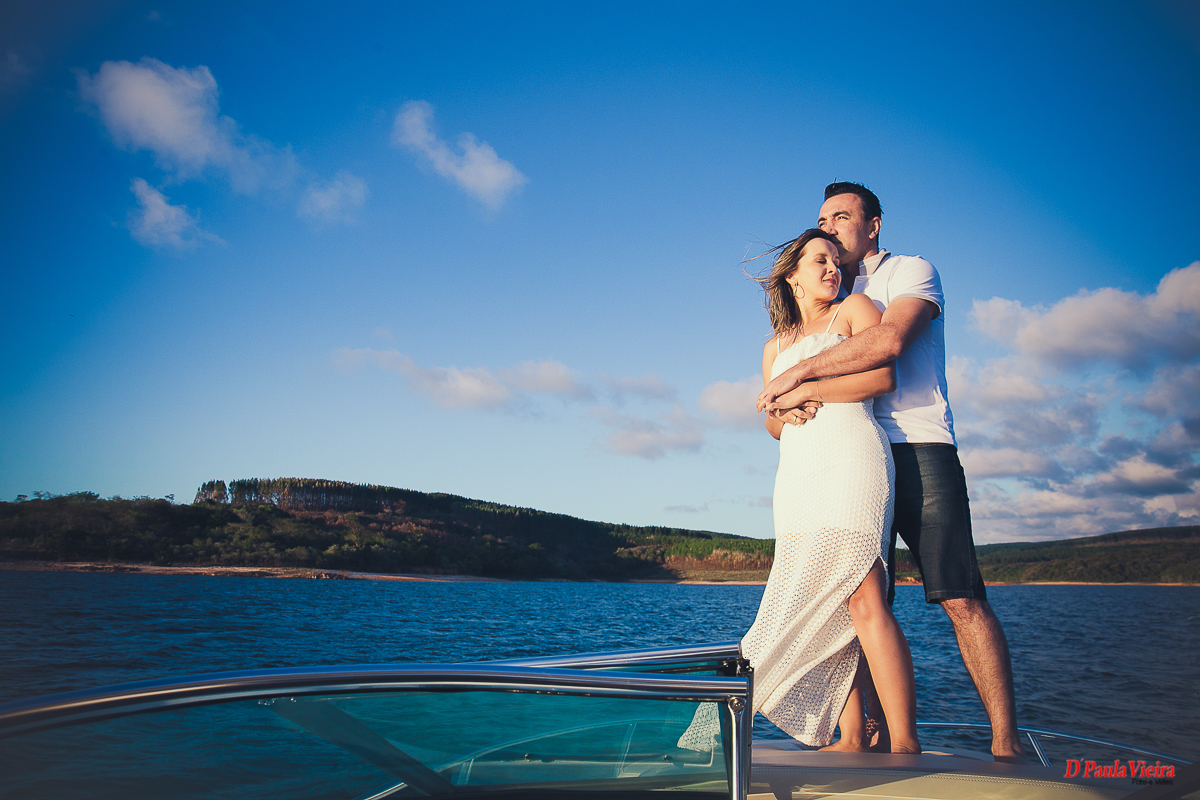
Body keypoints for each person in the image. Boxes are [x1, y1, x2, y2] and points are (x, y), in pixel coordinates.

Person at [758, 182, 1027, 764]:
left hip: (918, 444)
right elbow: (775, 411)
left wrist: (797, 383)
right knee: (854, 598)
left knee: (959, 596)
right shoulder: (825, 299)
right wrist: (787, 399)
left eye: (843, 218)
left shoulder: (907, 272)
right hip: (839, 456)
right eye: (822, 221)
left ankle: (1006, 743)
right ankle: (865, 733)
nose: (830, 230)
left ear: (873, 225)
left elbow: (890, 343)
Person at [740, 227, 920, 754]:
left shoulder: (856, 310)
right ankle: (849, 738)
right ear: (792, 275)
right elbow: (772, 425)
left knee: (864, 595)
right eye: (820, 260)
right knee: (825, 605)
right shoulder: (774, 346)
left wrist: (810, 388)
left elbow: (883, 378)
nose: (832, 269)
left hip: (852, 458)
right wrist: (785, 409)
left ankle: (905, 742)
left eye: (836, 261)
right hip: (797, 475)